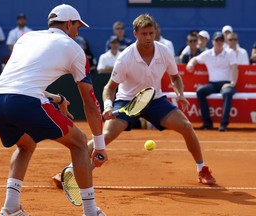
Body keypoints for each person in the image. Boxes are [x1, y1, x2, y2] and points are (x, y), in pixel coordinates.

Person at [53, 13, 216, 188]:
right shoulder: (125, 58)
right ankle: (69, 171)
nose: (148, 37)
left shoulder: (164, 51)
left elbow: (175, 77)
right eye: (144, 34)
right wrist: (108, 106)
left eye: (151, 33)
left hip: (154, 99)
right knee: (106, 136)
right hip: (127, 101)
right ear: (136, 33)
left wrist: (180, 94)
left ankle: (202, 169)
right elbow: (109, 87)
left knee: (186, 126)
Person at [0, 4, 107, 216]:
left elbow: (19, 80)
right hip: (24, 102)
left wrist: (58, 98)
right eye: (77, 26)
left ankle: (11, 207)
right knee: (79, 143)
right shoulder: (74, 48)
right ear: (69, 24)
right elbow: (90, 102)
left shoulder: (26, 38)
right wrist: (99, 145)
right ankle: (90, 212)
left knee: (26, 144)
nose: (78, 32)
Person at [186, 32, 238, 131]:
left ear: (224, 42)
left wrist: (232, 83)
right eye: (217, 40)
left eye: (221, 40)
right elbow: (195, 59)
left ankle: (223, 124)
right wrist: (190, 64)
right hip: (213, 84)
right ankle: (207, 122)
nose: (219, 42)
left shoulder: (230, 53)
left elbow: (234, 67)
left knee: (227, 93)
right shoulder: (207, 54)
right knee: (200, 91)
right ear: (213, 42)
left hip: (226, 83)